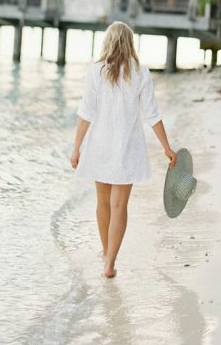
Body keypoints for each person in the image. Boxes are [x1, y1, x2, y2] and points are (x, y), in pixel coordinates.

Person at [70, 21, 177, 278]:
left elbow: (86, 113)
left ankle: (106, 253)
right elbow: (152, 114)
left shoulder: (95, 71)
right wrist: (167, 147)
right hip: (127, 147)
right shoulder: (140, 71)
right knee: (119, 206)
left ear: (107, 42)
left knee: (102, 203)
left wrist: (76, 149)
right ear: (130, 43)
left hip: (100, 145)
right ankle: (110, 262)